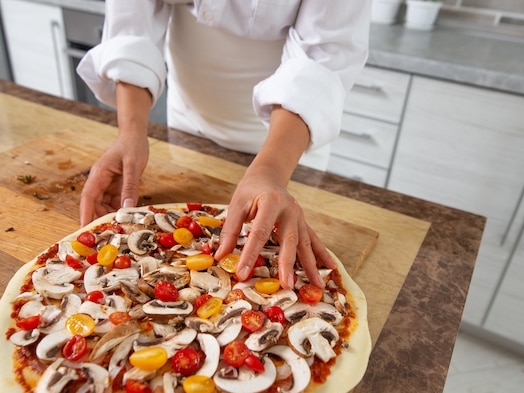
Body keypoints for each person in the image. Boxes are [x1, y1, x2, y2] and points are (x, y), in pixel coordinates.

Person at [77, 0, 371, 291]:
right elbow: (132, 26)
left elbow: (323, 58)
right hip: (188, 123)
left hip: (289, 142)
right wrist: (130, 132)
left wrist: (270, 171)